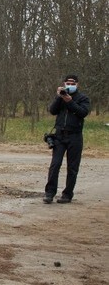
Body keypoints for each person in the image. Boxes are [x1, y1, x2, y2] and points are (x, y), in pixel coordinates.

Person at [43, 74, 91, 204]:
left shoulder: (83, 98)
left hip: (75, 136)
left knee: (72, 167)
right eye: (68, 83)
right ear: (64, 83)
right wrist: (60, 97)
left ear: (77, 84)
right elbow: (52, 110)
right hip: (59, 135)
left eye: (73, 83)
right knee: (55, 164)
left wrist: (70, 101)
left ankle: (67, 194)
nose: (70, 85)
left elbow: (83, 112)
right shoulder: (60, 97)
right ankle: (49, 193)